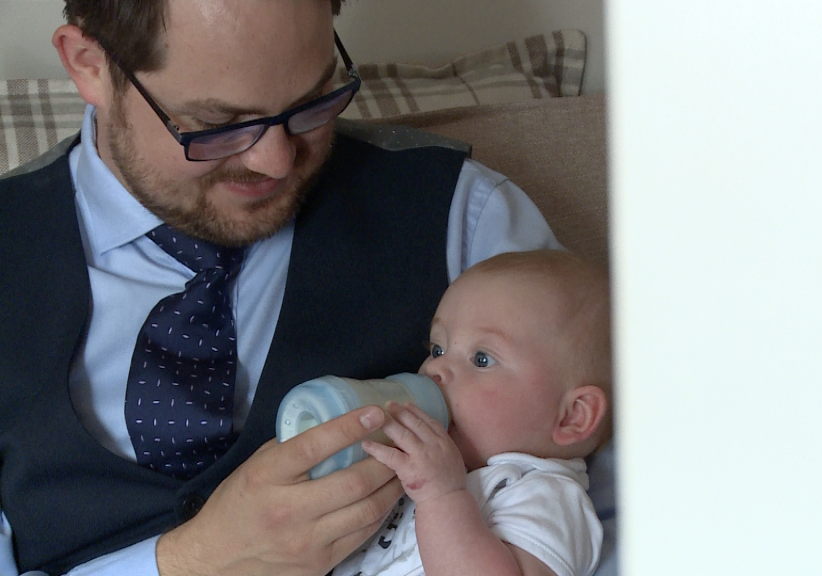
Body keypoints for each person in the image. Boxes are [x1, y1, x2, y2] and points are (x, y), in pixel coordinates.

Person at [0, 1, 563, 575]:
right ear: (88, 64)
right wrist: (193, 561)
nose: (275, 160)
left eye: (311, 104)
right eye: (218, 124)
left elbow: (628, 510)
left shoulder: (462, 217)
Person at [330, 250, 612, 576]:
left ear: (572, 417)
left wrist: (443, 497)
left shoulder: (546, 498)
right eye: (438, 349)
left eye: (481, 359)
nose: (435, 368)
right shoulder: (429, 462)